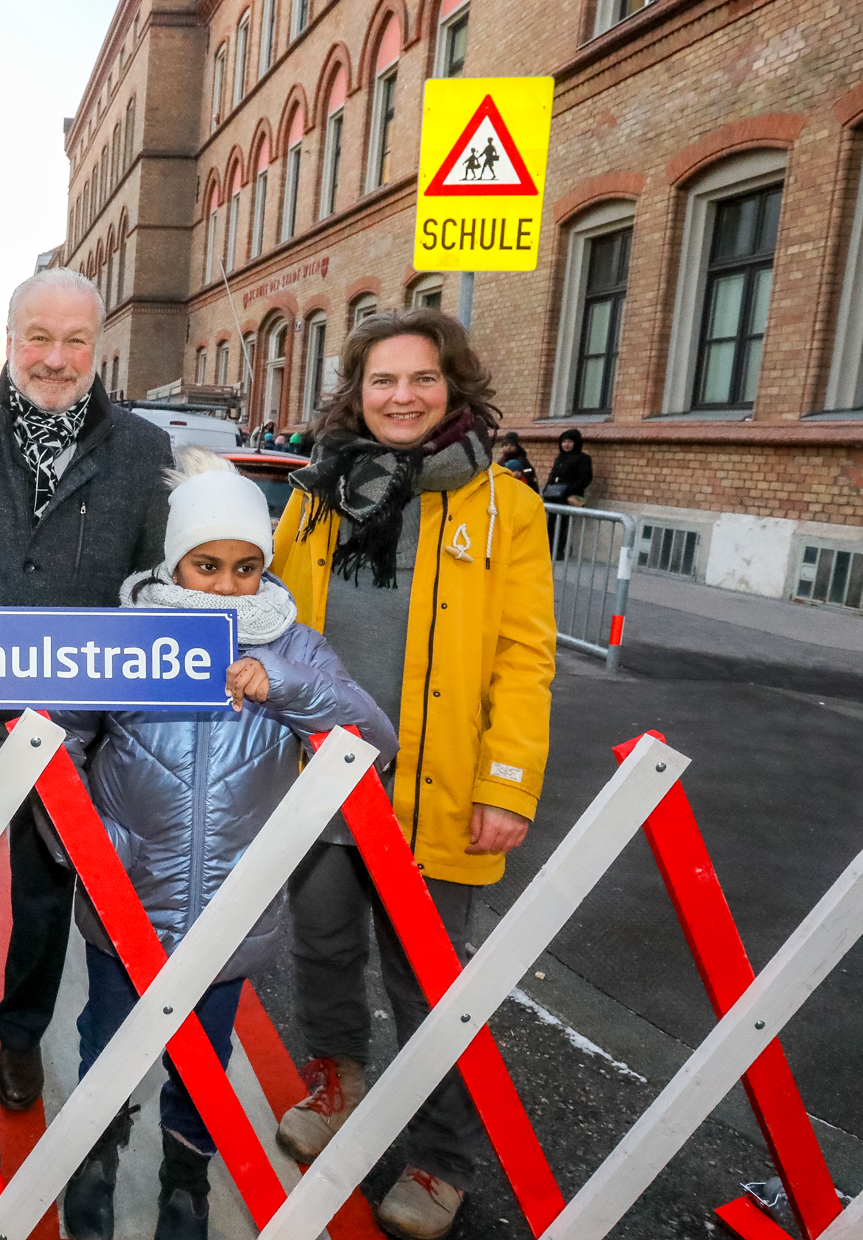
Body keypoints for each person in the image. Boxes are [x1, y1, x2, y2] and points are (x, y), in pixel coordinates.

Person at [57, 449, 397, 1240]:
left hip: (231, 914)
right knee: (106, 1044)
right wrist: (88, 842)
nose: (225, 584)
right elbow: (59, 741)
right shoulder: (126, 638)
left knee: (202, 1065)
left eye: (246, 567)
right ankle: (94, 1159)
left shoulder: (297, 648)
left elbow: (374, 738)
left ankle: (186, 1173)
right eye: (205, 564)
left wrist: (284, 685)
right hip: (124, 899)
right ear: (174, 559)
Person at [267, 308, 555, 1240]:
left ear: (452, 388)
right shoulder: (316, 495)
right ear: (358, 391)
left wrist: (505, 785)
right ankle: (339, 1080)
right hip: (323, 784)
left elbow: (525, 656)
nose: (402, 397)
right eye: (383, 381)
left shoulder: (503, 504)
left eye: (421, 379)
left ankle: (441, 1157)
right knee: (322, 954)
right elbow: (272, 623)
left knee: (431, 983)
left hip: (437, 790)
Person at [0, 267, 172, 1112]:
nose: (56, 358)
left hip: (73, 723)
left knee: (47, 891)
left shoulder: (141, 449)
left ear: (100, 345)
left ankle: (18, 1035)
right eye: (39, 337)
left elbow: (159, 588)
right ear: (11, 335)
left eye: (76, 340)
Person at [542, 429, 593, 559]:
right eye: (564, 441)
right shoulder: (559, 458)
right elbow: (553, 476)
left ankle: (559, 551)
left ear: (576, 443)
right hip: (554, 497)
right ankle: (548, 550)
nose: (566, 444)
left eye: (569, 441)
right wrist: (547, 488)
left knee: (563, 525)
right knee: (551, 524)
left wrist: (568, 489)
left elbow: (585, 479)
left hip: (569, 497)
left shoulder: (583, 459)